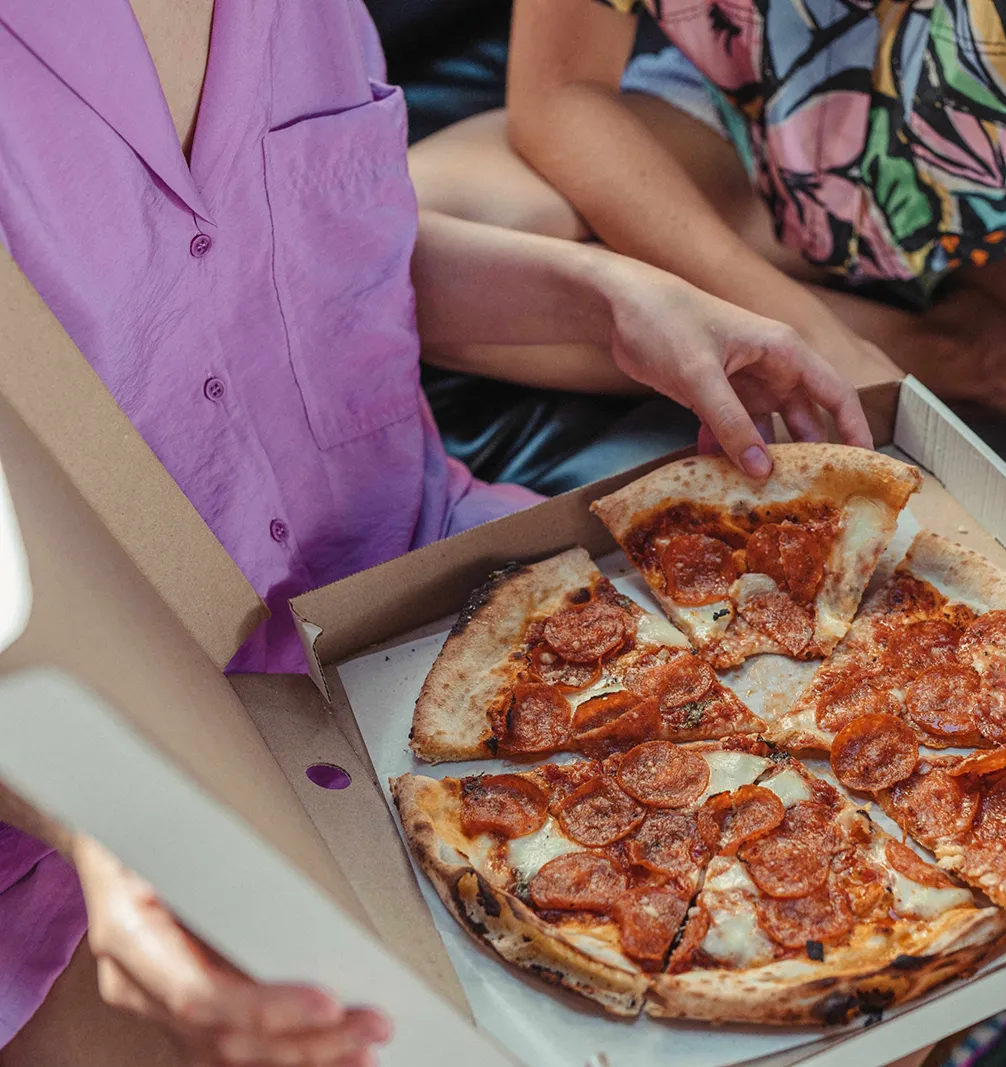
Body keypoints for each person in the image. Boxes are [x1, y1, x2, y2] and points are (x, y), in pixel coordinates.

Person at [404, 0, 1006, 1055]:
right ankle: (947, 345)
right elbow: (558, 95)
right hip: (748, 136)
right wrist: (839, 348)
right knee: (397, 235)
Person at [0, 0, 870, 1063]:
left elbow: (315, 267)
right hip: (83, 795)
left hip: (436, 587)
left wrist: (607, 298)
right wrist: (110, 841)